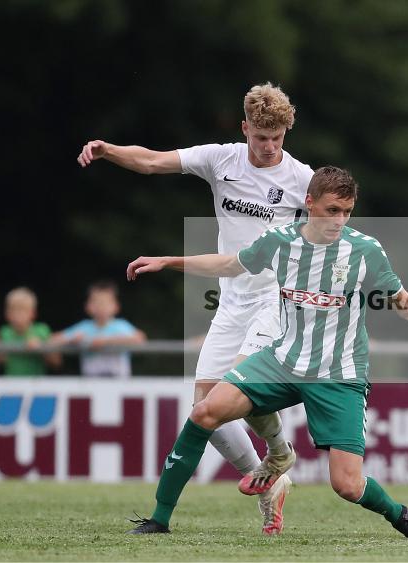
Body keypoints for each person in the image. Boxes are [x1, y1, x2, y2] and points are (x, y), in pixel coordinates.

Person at [125, 166, 408, 537]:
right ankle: (159, 519)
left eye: (347, 211)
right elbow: (231, 264)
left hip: (339, 374)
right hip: (282, 360)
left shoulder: (364, 251)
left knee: (346, 484)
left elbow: (404, 303)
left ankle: (400, 515)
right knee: (205, 411)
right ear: (309, 203)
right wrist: (170, 261)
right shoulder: (279, 241)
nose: (339, 220)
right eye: (332, 210)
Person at [77, 83, 310, 534]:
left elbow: (336, 222)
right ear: (245, 129)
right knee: (207, 411)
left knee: (236, 390)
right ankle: (272, 484)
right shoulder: (221, 158)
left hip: (274, 300)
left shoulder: (301, 178)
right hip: (231, 300)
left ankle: (279, 453)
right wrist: (108, 151)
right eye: (260, 137)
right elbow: (151, 161)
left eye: (277, 138)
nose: (268, 148)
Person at [53, 281, 146, 377]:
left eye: (105, 302)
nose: (101, 306)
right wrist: (71, 340)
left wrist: (105, 342)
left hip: (119, 387)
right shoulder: (83, 327)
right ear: (88, 306)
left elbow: (140, 339)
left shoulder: (121, 326)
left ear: (116, 306)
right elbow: (54, 339)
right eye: (96, 302)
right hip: (92, 387)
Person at [0, 287, 59, 376]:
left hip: (37, 386)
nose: (17, 315)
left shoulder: (42, 330)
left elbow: (56, 363)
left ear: (33, 313)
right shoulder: (4, 332)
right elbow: (0, 361)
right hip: (11, 386)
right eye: (13, 310)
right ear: (7, 313)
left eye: (22, 310)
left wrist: (41, 348)